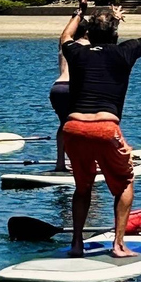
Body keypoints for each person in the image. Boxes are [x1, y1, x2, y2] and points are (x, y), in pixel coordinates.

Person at [60, 0, 141, 258]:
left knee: (83, 188)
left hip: (72, 128)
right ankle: (118, 245)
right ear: (115, 34)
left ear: (90, 34)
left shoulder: (78, 52)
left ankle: (77, 244)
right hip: (105, 128)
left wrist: (79, 11)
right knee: (125, 183)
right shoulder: (123, 52)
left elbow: (64, 38)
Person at [49, 17, 89, 171]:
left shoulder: (63, 46)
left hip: (57, 87)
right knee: (83, 126)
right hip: (73, 88)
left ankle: (60, 163)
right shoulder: (86, 45)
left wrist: (77, 14)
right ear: (86, 32)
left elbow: (63, 35)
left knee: (64, 126)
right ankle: (84, 162)